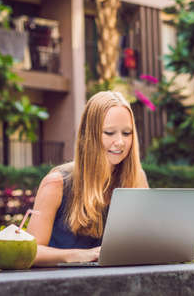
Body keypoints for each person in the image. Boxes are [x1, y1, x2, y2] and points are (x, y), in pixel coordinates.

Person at [26, 91, 149, 266]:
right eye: (109, 132)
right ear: (89, 135)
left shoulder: (137, 179)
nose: (120, 142)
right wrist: (77, 256)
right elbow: (30, 251)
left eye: (127, 133)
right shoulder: (56, 183)